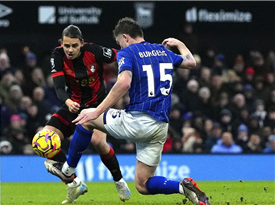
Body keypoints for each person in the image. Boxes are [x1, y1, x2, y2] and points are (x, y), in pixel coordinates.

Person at [45, 17, 210, 205]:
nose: (120, 46)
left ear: (125, 37)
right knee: (143, 184)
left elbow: (124, 82)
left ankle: (67, 171)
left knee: (86, 118)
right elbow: (191, 63)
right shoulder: (162, 51)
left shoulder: (128, 52)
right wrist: (179, 44)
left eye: (119, 43)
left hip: (139, 119)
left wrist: (97, 111)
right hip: (161, 126)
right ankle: (182, 187)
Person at [36, 25, 130, 204]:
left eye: (74, 46)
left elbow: (121, 55)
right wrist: (68, 101)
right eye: (66, 46)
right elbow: (58, 86)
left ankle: (118, 180)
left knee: (98, 143)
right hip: (73, 106)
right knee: (42, 140)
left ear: (82, 43)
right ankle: (74, 183)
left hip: (97, 108)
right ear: (61, 44)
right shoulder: (57, 56)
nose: (70, 50)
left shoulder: (94, 51)